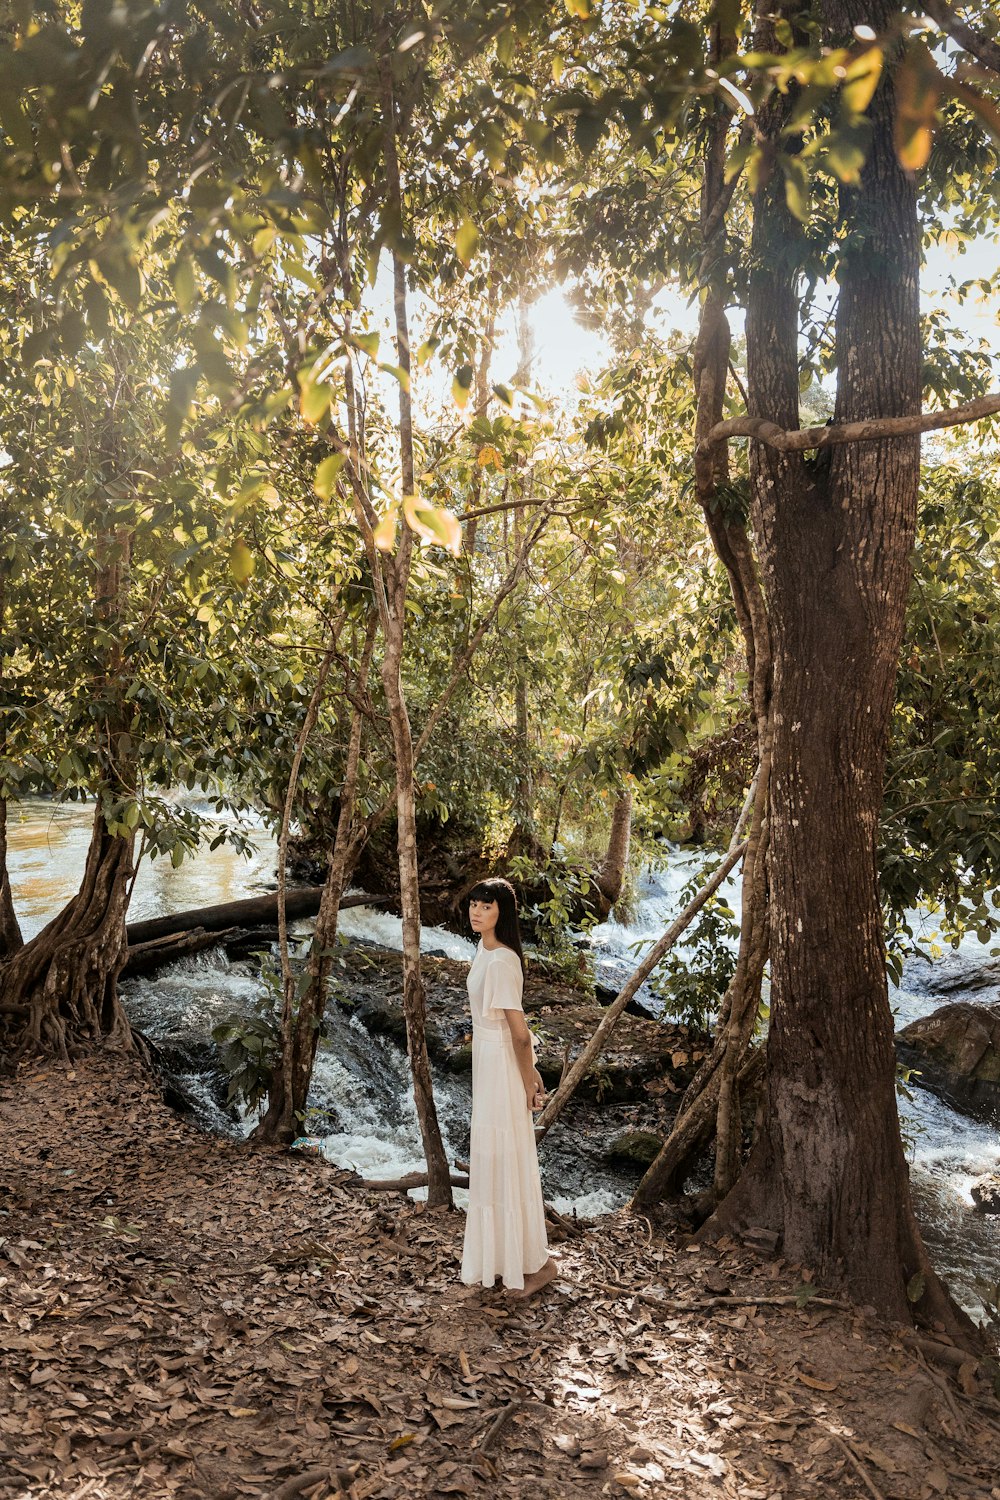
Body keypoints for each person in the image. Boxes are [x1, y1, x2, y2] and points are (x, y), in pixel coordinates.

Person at [460, 877, 558, 1297]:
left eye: (486, 906)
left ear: (504, 912)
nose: (476, 911)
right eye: (474, 905)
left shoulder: (502, 960)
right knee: (493, 1153)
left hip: (502, 1060)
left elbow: (519, 1035)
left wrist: (529, 1079)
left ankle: (534, 1263)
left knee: (508, 1152)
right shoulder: (483, 948)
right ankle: (501, 1259)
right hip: (486, 1057)